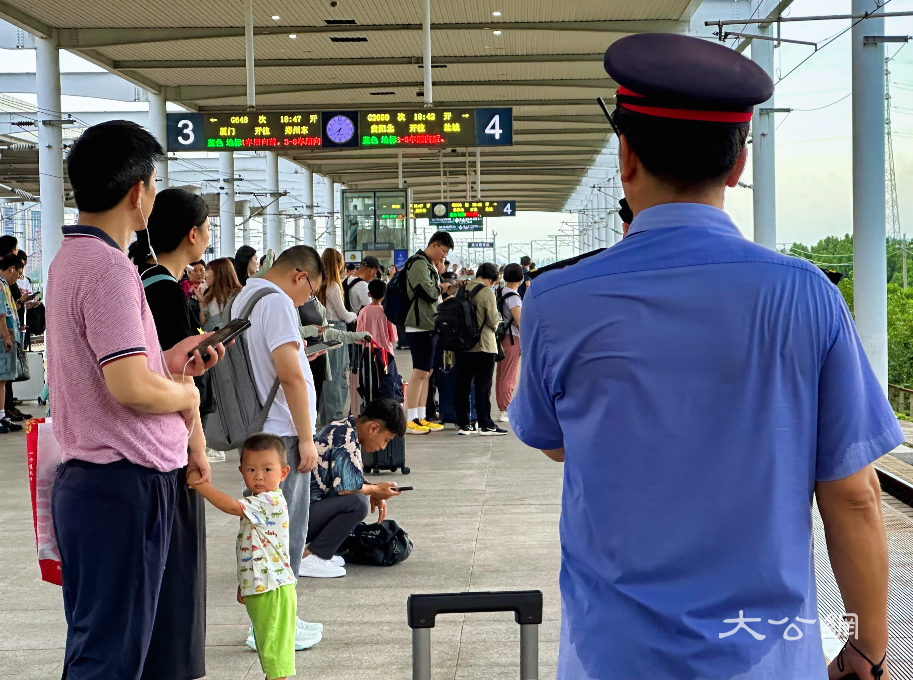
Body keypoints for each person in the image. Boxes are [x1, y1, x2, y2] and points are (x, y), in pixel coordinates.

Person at [511, 33, 901, 680]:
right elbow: (853, 496)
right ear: (738, 165)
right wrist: (866, 648)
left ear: (625, 156)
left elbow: (555, 442)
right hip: (768, 658)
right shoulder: (805, 295)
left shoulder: (554, 299)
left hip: (612, 658)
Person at [47, 120, 225, 680]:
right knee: (112, 659)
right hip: (122, 483)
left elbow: (121, 371)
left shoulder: (69, 258)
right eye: (152, 183)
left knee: (103, 646)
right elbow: (127, 385)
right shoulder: (110, 269)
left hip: (98, 484)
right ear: (137, 192)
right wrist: (185, 395)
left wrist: (169, 369)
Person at [126, 186, 214, 680]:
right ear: (192, 234)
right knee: (178, 579)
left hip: (145, 447)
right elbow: (178, 377)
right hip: (167, 447)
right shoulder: (163, 289)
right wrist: (196, 445)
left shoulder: (142, 278)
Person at [231, 244, 326, 651]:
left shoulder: (245, 297)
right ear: (299, 276)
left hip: (259, 429)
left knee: (265, 537)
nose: (307, 301)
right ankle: (272, 628)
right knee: (281, 536)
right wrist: (307, 438)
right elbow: (289, 374)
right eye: (311, 292)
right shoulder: (277, 303)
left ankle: (280, 619)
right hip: (282, 435)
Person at [187, 433, 297, 680]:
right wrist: (245, 583)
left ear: (283, 472)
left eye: (267, 469)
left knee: (274, 650)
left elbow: (230, 506)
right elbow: (254, 547)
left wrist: (200, 485)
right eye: (251, 469)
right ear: (241, 471)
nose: (258, 476)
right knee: (267, 644)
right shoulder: (258, 500)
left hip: (273, 588)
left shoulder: (271, 501)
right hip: (262, 586)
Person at [302, 398, 405, 577]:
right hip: (296, 518)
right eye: (386, 440)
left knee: (358, 498)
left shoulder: (345, 428)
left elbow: (349, 477)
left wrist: (372, 489)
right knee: (358, 503)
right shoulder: (346, 439)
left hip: (300, 512)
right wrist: (374, 490)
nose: (383, 446)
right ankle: (312, 556)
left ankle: (318, 553)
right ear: (373, 428)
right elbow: (346, 489)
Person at [404, 231, 453, 435]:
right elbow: (428, 292)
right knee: (420, 372)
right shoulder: (418, 264)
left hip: (429, 323)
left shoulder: (429, 265)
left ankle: (421, 416)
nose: (444, 256)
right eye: (443, 251)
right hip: (418, 324)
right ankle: (410, 418)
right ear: (434, 245)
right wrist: (441, 287)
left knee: (428, 372)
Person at [455, 263, 506, 436]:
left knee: (463, 385)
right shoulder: (486, 292)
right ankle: (485, 423)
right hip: (484, 345)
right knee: (483, 385)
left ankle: (463, 424)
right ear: (491, 279)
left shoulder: (461, 290)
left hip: (462, 345)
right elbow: (492, 321)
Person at [318, 248, 357, 424]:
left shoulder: (318, 284)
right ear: (337, 264)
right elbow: (343, 314)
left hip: (322, 331)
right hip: (337, 330)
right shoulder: (333, 286)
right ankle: (334, 417)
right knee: (337, 374)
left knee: (327, 375)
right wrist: (356, 315)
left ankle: (326, 417)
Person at [357, 278, 402, 399]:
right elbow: (393, 336)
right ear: (384, 294)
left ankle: (371, 402)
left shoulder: (363, 311)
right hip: (386, 352)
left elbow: (359, 336)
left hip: (369, 352)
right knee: (387, 381)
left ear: (369, 294)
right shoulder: (386, 311)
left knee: (370, 379)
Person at [495, 263, 523, 424]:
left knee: (502, 374)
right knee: (509, 376)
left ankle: (503, 407)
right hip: (512, 338)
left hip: (502, 337)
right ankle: (505, 409)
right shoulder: (513, 296)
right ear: (521, 278)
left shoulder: (502, 292)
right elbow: (519, 320)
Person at [0, 254, 23, 433]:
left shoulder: (4, 285)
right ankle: (1, 416)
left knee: (3, 379)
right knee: (1, 379)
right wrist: (7, 338)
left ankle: (2, 415)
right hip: (2, 339)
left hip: (6, 336)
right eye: (18, 273)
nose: (18, 277)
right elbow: (1, 314)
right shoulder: (0, 285)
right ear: (11, 268)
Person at [202, 257, 243, 330]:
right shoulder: (208, 295)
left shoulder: (238, 295)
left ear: (218, 273)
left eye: (207, 272)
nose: (205, 276)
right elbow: (203, 323)